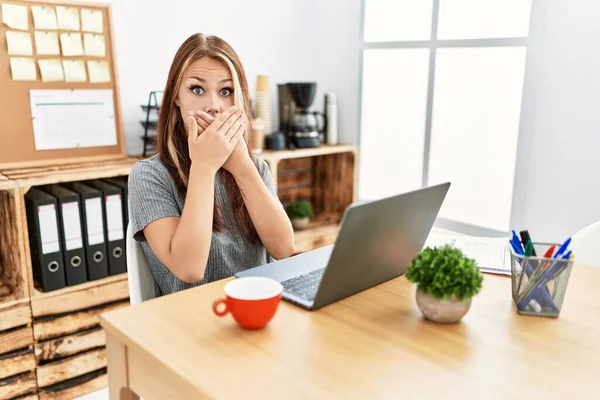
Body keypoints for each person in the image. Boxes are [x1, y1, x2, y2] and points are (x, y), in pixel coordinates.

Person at [128, 33, 295, 296]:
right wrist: (203, 168)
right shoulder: (150, 175)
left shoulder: (256, 167)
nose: (214, 106)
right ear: (176, 97)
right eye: (197, 89)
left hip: (255, 308)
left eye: (226, 91)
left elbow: (284, 249)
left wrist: (241, 167)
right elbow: (189, 268)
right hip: (191, 321)